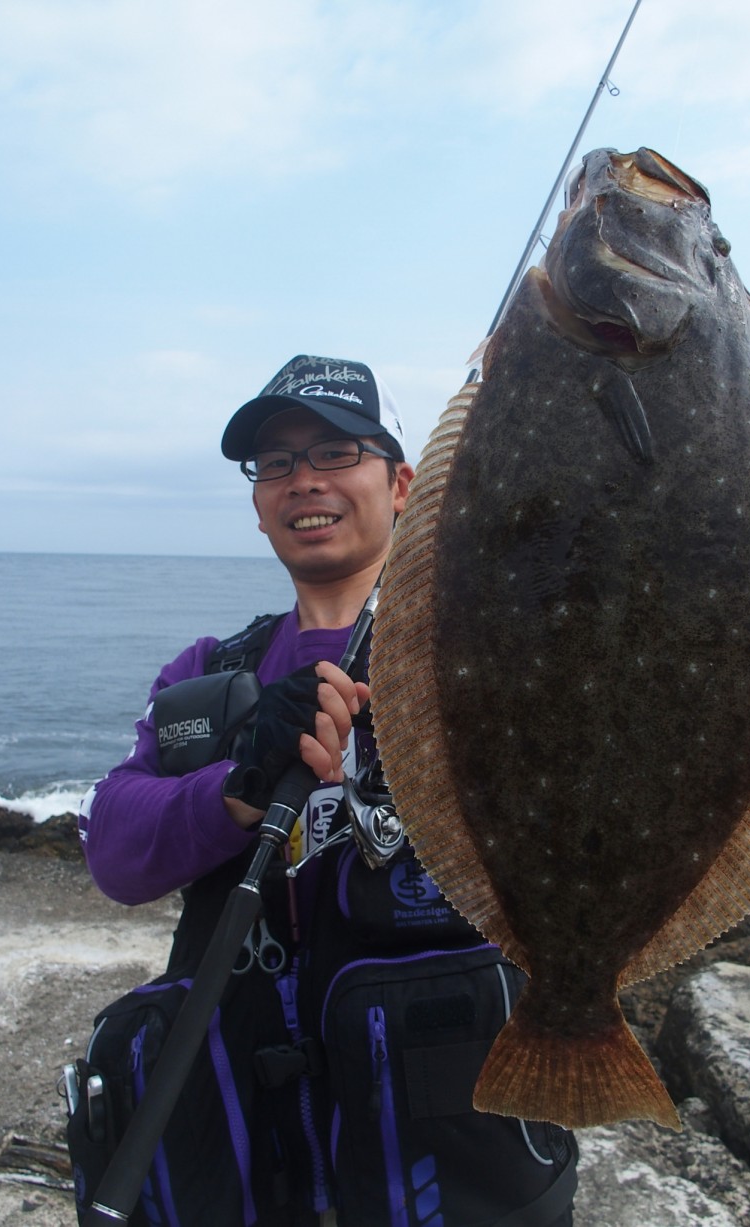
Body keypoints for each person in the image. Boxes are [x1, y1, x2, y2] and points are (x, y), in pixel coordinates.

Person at [77, 354, 578, 1227]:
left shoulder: (498, 653)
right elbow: (113, 848)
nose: (305, 479)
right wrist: (235, 788)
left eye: (338, 451)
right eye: (276, 462)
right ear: (259, 500)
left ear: (403, 483)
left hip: (448, 1166)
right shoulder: (208, 675)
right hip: (254, 1170)